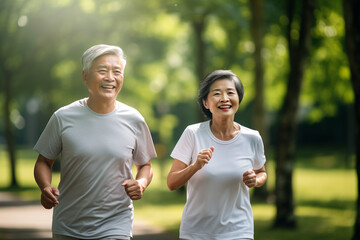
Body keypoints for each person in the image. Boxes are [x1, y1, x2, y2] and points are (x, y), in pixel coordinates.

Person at [34, 44, 157, 240]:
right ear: (85, 77)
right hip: (69, 224)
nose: (110, 77)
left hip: (116, 222)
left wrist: (141, 183)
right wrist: (45, 186)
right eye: (102, 71)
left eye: (117, 71)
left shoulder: (134, 119)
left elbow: (145, 165)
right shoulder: (63, 117)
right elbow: (43, 161)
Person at [167, 70, 267, 240]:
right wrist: (195, 166)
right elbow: (171, 183)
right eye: (217, 93)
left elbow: (261, 172)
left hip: (239, 230)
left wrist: (256, 180)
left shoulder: (252, 137)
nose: (224, 98)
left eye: (230, 92)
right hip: (196, 232)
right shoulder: (193, 133)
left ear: (238, 99)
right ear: (205, 102)